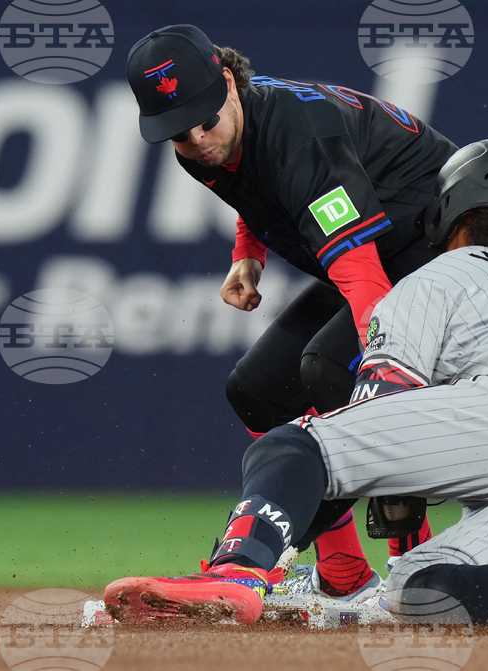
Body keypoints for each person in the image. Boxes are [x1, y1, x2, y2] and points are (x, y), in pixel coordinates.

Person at [104, 139, 488, 635]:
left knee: (293, 447)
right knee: (418, 589)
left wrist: (292, 516)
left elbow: (386, 395)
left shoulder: (440, 274)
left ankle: (236, 573)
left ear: (449, 211)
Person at [125, 24, 455, 598]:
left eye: (205, 119)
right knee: (257, 390)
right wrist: (246, 256)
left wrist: (392, 374)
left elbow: (362, 276)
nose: (198, 138)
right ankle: (344, 574)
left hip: (444, 252)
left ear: (228, 83)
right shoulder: (206, 142)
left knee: (334, 371)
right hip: (375, 247)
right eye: (180, 132)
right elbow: (261, 193)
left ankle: (416, 562)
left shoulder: (300, 134)